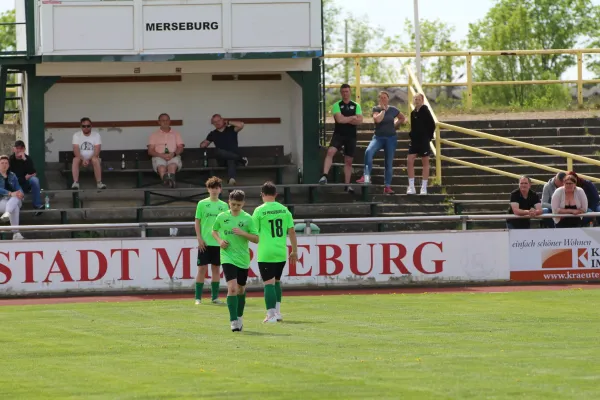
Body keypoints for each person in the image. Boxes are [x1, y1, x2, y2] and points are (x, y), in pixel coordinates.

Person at [212, 190, 258, 332]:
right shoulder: (222, 216)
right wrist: (220, 241)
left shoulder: (248, 218)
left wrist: (243, 233)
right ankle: (233, 321)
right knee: (231, 288)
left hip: (243, 258)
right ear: (228, 203)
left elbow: (256, 239)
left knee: (240, 289)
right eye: (233, 204)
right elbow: (214, 231)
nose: (235, 207)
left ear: (243, 204)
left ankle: (239, 317)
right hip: (227, 256)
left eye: (238, 204)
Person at [252, 181, 298, 323]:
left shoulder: (259, 210)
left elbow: (254, 232)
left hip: (266, 252)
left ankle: (270, 315)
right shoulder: (284, 210)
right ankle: (277, 313)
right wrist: (294, 251)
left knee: (268, 284)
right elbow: (291, 231)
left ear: (262, 194)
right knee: (277, 282)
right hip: (280, 251)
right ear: (276, 194)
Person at [356, 91, 406, 194]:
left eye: (385, 97)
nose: (383, 99)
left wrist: (395, 125)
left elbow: (402, 118)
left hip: (391, 139)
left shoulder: (393, 109)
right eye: (381, 98)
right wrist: (383, 110)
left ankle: (387, 187)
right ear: (379, 99)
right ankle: (366, 177)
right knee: (368, 152)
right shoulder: (376, 109)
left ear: (388, 99)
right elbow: (377, 120)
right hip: (378, 138)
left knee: (388, 162)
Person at [319, 84, 363, 193]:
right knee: (330, 151)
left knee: (348, 161)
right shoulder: (336, 105)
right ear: (341, 93)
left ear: (350, 92)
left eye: (347, 91)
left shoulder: (356, 105)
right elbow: (339, 120)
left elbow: (360, 120)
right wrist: (352, 117)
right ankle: (325, 176)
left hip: (351, 136)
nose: (345, 94)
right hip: (339, 134)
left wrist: (346, 118)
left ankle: (347, 185)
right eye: (343, 92)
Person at [194, 176, 229, 305]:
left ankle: (214, 297)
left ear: (220, 189)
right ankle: (198, 298)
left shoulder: (224, 206)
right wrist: (199, 238)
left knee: (216, 269)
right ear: (208, 189)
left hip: (218, 242)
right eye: (211, 188)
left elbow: (226, 224)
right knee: (201, 269)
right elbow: (197, 222)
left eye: (216, 188)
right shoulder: (202, 204)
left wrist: (223, 240)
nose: (214, 190)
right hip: (205, 242)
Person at [200, 115, 247, 186]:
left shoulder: (231, 129)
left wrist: (228, 122)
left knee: (230, 159)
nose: (217, 123)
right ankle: (241, 159)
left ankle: (231, 180)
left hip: (233, 160)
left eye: (218, 121)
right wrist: (203, 144)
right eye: (214, 122)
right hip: (222, 160)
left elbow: (241, 125)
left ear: (222, 120)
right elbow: (204, 144)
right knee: (217, 151)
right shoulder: (213, 134)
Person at [406, 94, 436, 195]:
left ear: (422, 100)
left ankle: (424, 187)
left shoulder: (425, 110)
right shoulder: (412, 113)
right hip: (415, 140)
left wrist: (428, 137)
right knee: (410, 160)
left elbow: (432, 124)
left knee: (425, 162)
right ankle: (411, 186)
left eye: (419, 99)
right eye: (415, 99)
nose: (417, 101)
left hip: (424, 140)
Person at [147, 113, 185, 188]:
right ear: (159, 122)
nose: (165, 122)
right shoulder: (154, 135)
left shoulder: (176, 133)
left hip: (173, 155)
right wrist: (161, 155)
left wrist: (173, 154)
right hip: (159, 156)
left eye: (167, 120)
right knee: (161, 168)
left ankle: (169, 185)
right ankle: (169, 185)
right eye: (163, 120)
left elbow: (180, 148)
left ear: (170, 121)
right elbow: (150, 151)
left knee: (172, 166)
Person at [9, 140, 44, 215]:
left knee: (35, 180)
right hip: (15, 185)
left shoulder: (27, 159)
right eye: (17, 148)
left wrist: (24, 160)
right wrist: (24, 178)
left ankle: (37, 206)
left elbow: (32, 172)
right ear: (14, 149)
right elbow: (12, 178)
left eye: (21, 148)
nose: (19, 150)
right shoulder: (10, 160)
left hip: (26, 184)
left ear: (24, 149)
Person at [71, 117, 106, 190]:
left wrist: (88, 159)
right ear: (81, 127)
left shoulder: (96, 135)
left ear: (91, 126)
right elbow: (76, 150)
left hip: (92, 159)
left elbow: (97, 151)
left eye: (88, 126)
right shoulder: (76, 135)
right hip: (81, 159)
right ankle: (75, 183)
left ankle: (99, 183)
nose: (86, 128)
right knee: (75, 159)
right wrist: (83, 159)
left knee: (95, 159)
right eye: (84, 126)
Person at [0, 155, 25, 240]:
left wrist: (20, 193)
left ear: (9, 165)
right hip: (2, 201)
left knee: (16, 197)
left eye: (6, 163)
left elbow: (18, 187)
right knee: (15, 208)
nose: (4, 165)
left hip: (14, 199)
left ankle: (7, 213)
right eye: (2, 163)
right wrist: (10, 193)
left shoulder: (12, 175)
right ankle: (16, 233)